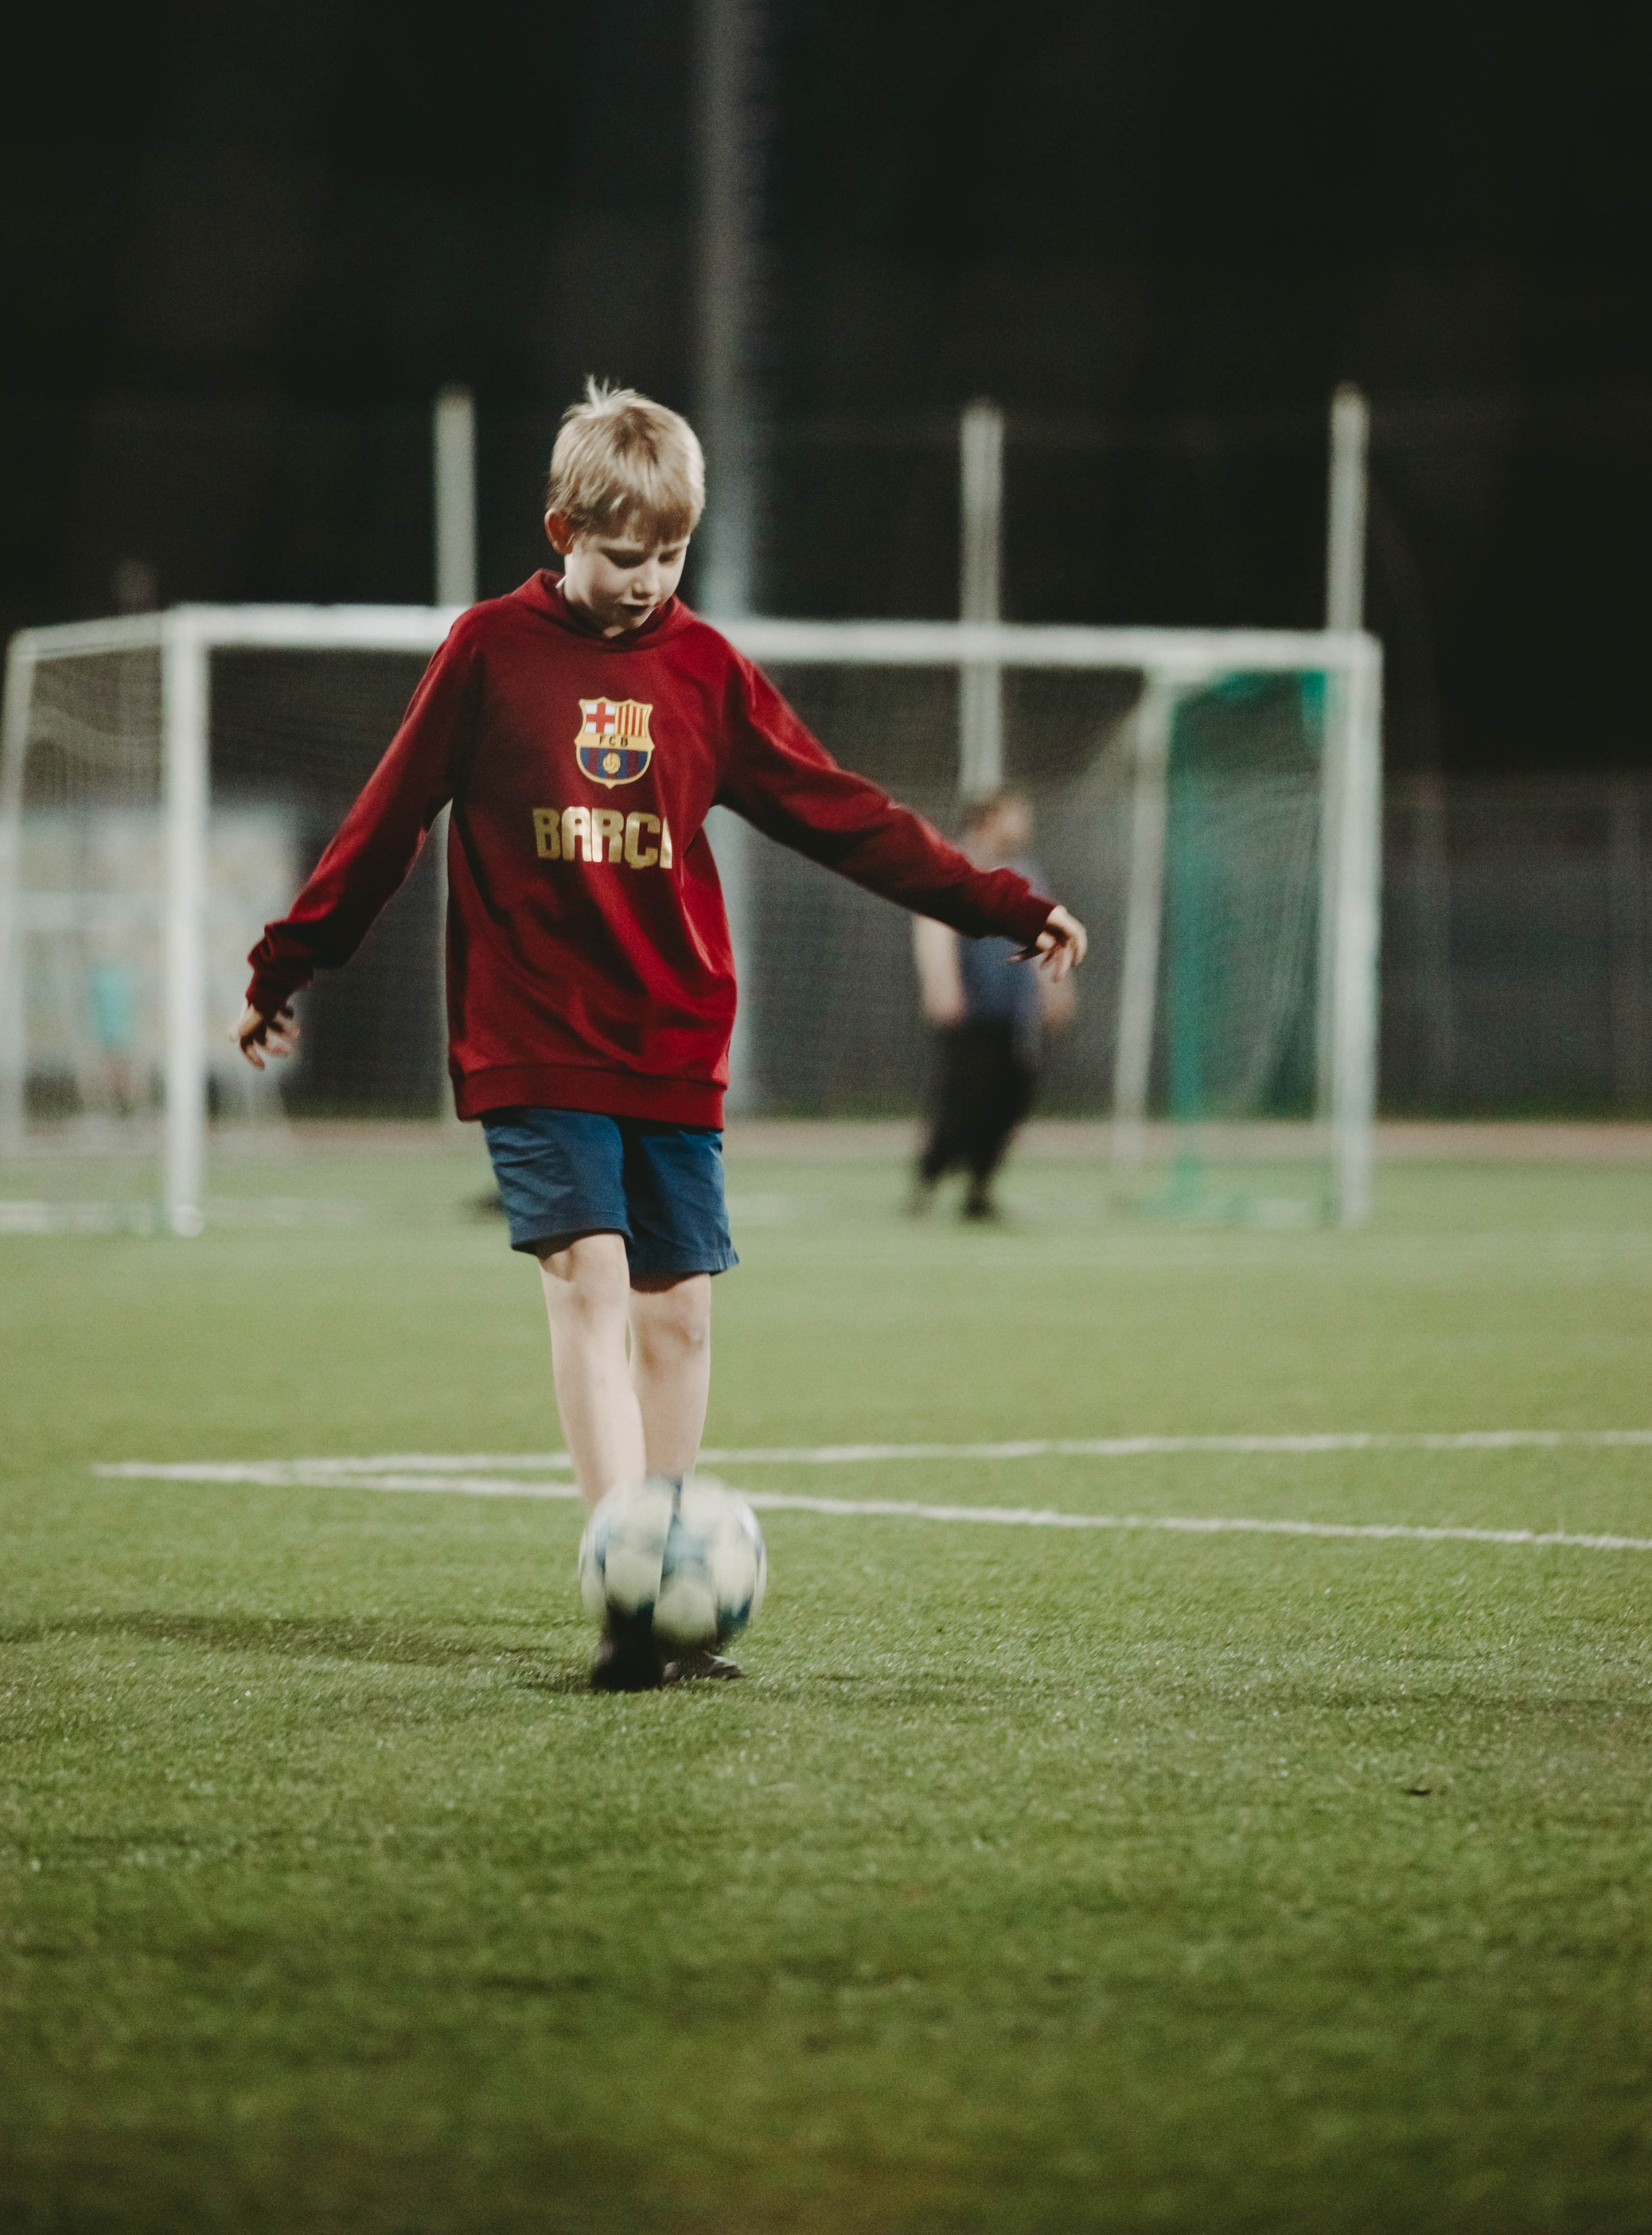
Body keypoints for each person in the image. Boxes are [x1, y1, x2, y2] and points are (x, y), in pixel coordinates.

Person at [233, 381, 1088, 1690]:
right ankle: (627, 1596)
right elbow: (388, 817)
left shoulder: (707, 676)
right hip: (533, 1030)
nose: (646, 582)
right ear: (561, 528)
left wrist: (1001, 906)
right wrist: (291, 958)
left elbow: (844, 814)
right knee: (585, 1278)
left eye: (670, 556)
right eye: (622, 555)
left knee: (676, 1318)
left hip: (672, 1034)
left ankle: (675, 1586)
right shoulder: (487, 652)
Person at [910, 787, 1072, 1220]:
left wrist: (1057, 988)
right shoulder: (955, 866)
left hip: (1014, 1014)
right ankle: (928, 1182)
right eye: (1016, 815)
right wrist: (942, 984)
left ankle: (979, 1188)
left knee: (1009, 1099)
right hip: (970, 1011)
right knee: (963, 1098)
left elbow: (1040, 933)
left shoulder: (1027, 872)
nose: (1025, 824)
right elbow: (934, 925)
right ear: (988, 818)